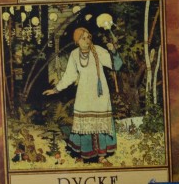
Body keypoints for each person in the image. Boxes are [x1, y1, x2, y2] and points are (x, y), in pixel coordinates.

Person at [43, 26, 122, 163]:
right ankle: (85, 153)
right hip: (84, 94)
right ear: (77, 41)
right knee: (84, 124)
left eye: (88, 37)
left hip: (99, 94)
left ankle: (101, 155)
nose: (86, 40)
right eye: (83, 38)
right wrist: (55, 89)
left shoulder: (98, 50)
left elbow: (116, 65)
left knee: (100, 122)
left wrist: (113, 51)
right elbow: (69, 76)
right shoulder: (74, 54)